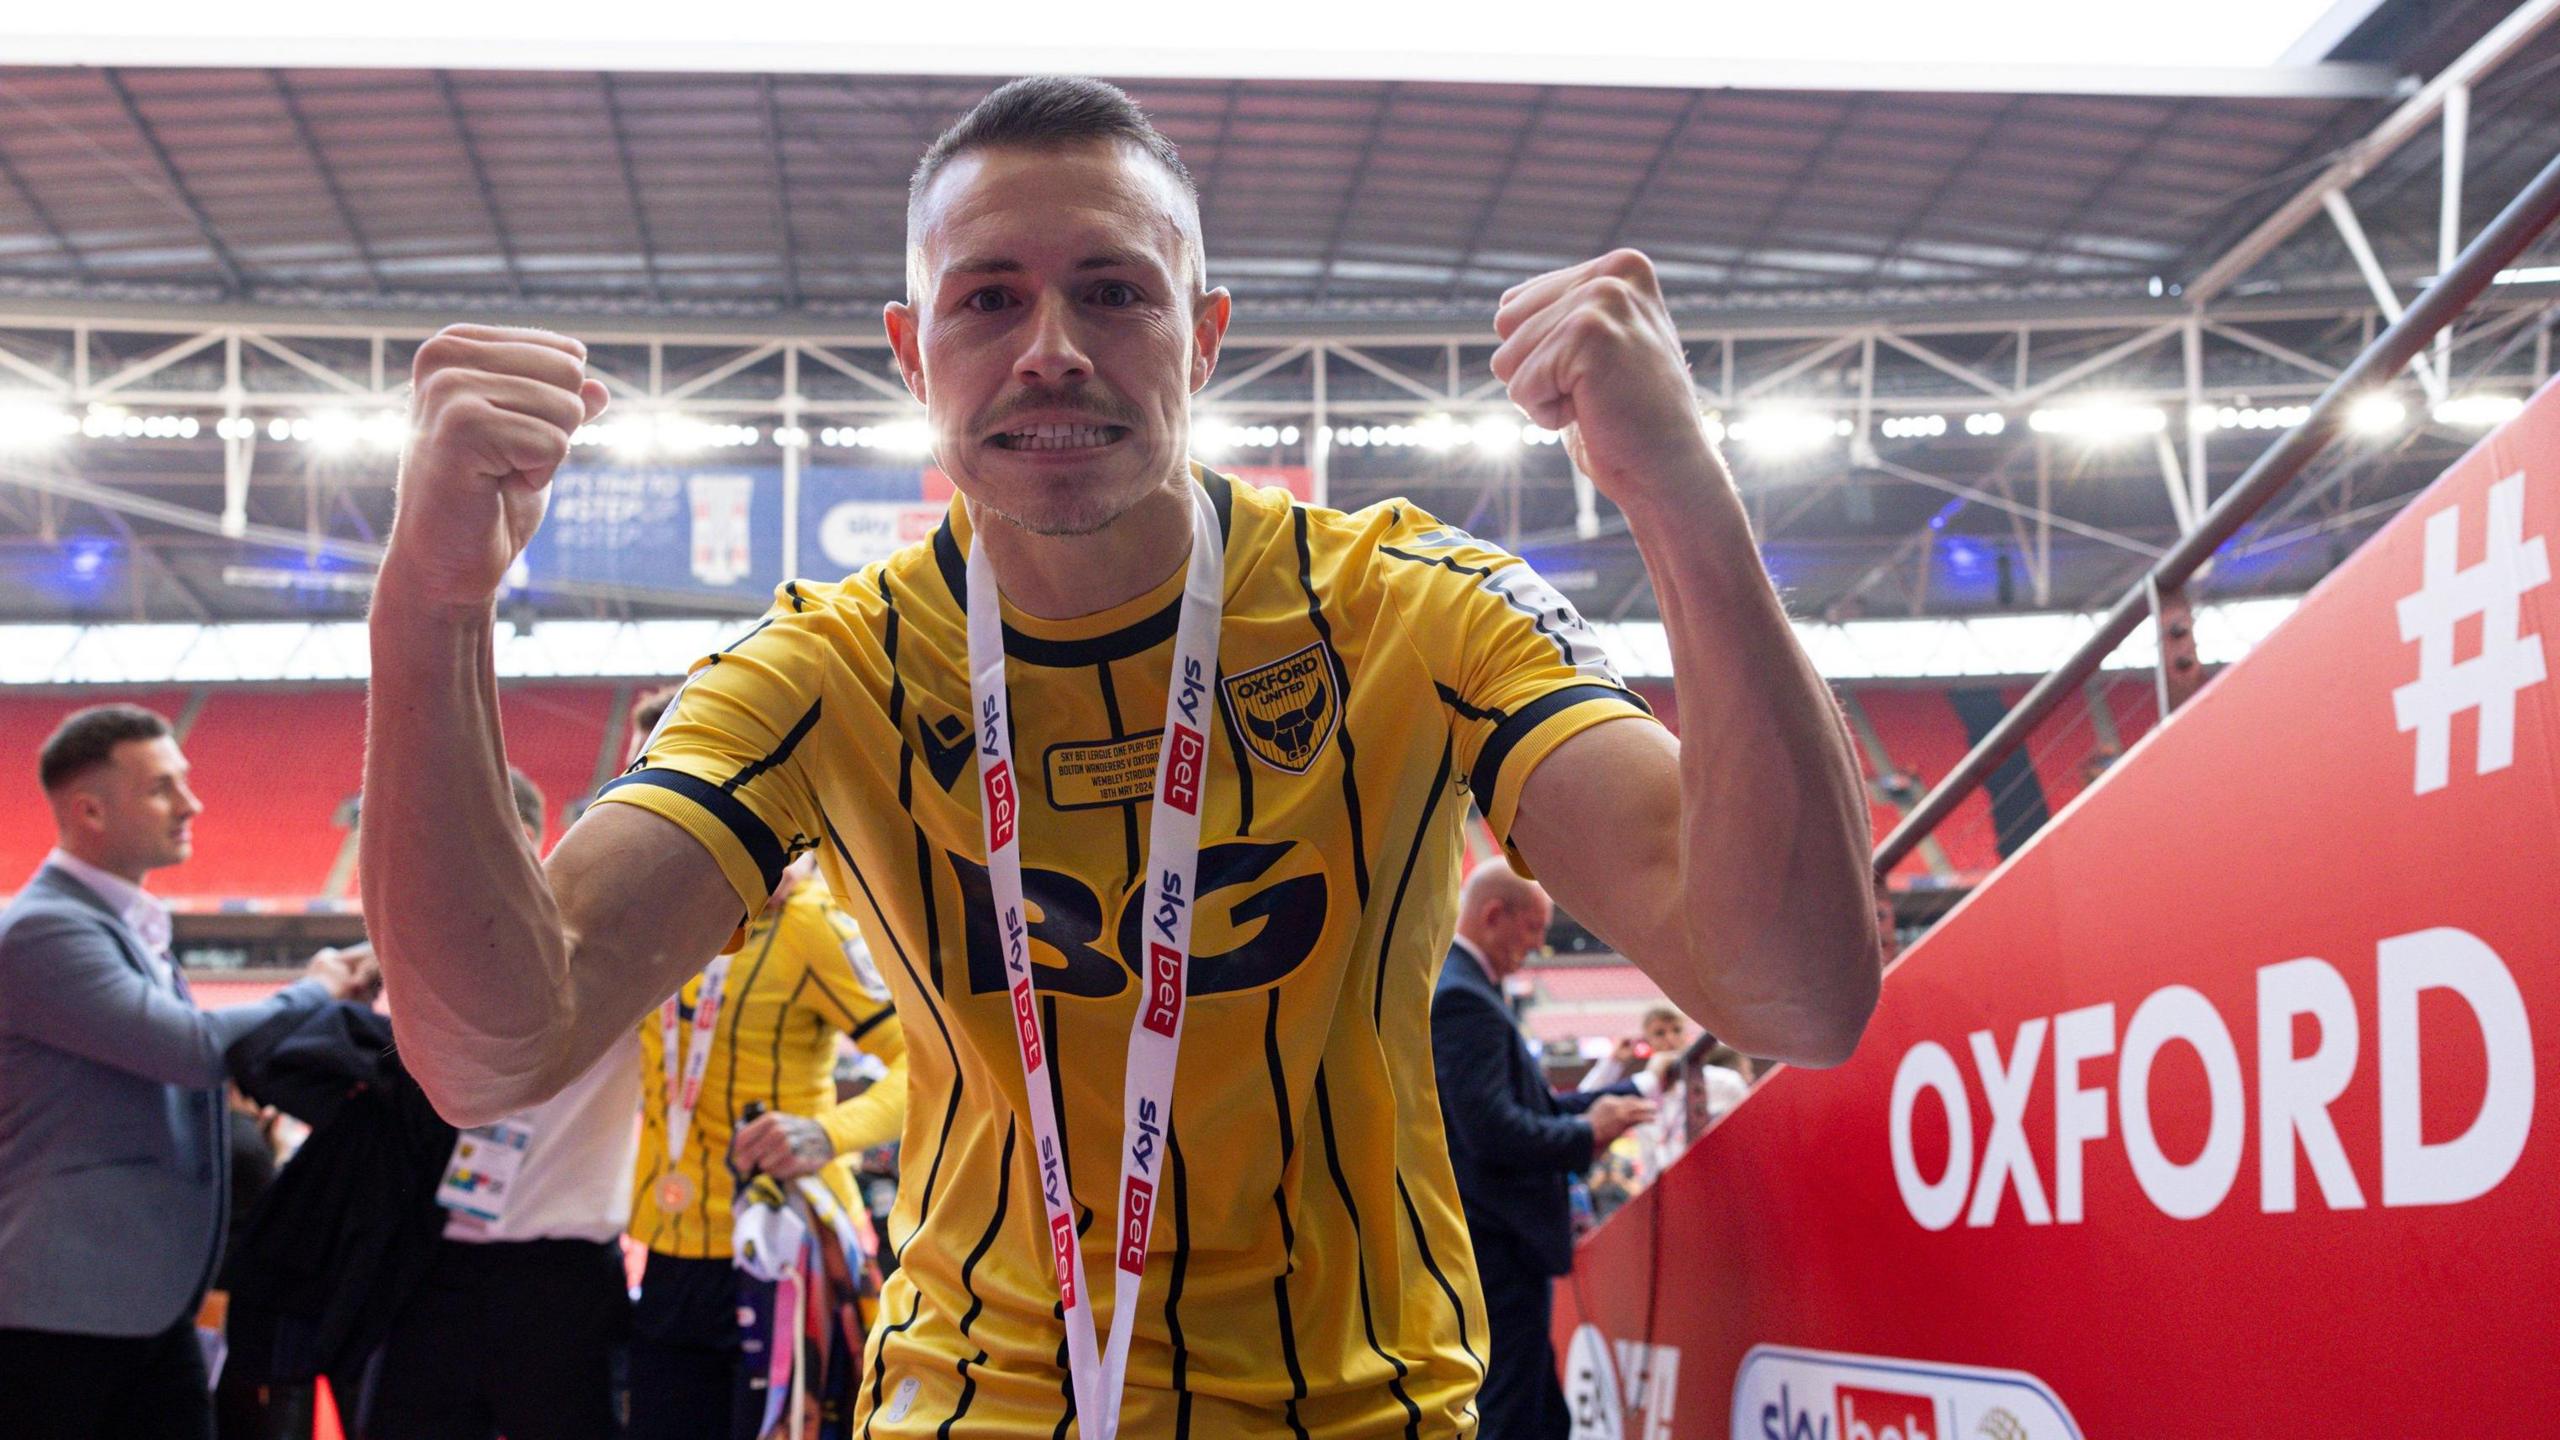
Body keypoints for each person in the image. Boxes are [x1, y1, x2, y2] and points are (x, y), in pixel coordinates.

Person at [362, 76, 1880, 1438]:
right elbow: (495, 1041)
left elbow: (1797, 992)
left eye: (1113, 292)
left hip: (1364, 1415)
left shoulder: (1415, 609)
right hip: (969, 1412)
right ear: (911, 351)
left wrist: (1684, 494)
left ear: (1204, 332)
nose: (1052, 351)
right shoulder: (819, 668)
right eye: (987, 302)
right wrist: (429, 610)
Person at [0, 703, 374, 1440]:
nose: (192, 803)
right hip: (61, 1313)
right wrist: (318, 986)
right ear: (90, 811)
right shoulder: (45, 930)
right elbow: (193, 1049)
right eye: (162, 788)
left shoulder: (117, 924)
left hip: (135, 1304)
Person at [617, 690, 911, 1440]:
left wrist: (824, 1133)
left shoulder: (813, 926)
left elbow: (928, 1065)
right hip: (670, 1251)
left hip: (784, 1253)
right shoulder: (652, 922)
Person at [358, 768, 641, 1440]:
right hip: (433, 1272)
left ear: (525, 838)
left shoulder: (617, 948)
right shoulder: (407, 958)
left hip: (560, 1281)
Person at [1432, 862, 1654, 1439]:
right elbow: (1495, 1132)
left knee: (1539, 1409)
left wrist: (1632, 1093)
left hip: (1501, 1247)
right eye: (1532, 930)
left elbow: (1531, 1108)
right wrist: (1587, 1134)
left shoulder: (1471, 989)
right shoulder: (1464, 998)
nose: (1538, 948)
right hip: (1499, 1246)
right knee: (1512, 1410)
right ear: (1493, 916)